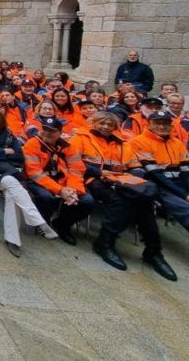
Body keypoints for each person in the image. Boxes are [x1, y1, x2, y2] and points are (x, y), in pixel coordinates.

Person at [70, 112, 176, 280]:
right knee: (121, 200)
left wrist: (134, 174)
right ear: (93, 123)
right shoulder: (80, 138)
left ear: (115, 127)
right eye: (101, 123)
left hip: (121, 180)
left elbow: (133, 165)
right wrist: (100, 171)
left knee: (144, 199)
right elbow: (73, 162)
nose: (105, 127)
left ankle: (153, 250)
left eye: (109, 125)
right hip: (92, 179)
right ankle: (105, 242)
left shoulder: (122, 143)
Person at [0, 110, 58, 257]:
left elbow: (18, 154)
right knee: (13, 184)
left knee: (13, 193)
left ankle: (13, 240)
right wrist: (5, 151)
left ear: (1, 123)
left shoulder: (10, 135)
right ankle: (38, 221)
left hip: (8, 172)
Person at [23, 117, 95, 245]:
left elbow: (77, 169)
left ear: (60, 133)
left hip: (65, 184)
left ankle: (62, 225)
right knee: (46, 197)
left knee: (87, 202)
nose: (47, 133)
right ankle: (43, 223)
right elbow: (35, 174)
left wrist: (73, 190)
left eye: (52, 131)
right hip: (40, 182)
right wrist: (60, 191)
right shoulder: (32, 144)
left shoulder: (67, 146)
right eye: (45, 129)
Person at [123, 110, 189, 234]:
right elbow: (155, 174)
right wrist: (184, 194)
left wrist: (186, 191)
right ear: (149, 125)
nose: (162, 126)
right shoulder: (139, 141)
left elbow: (186, 170)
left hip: (177, 184)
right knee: (186, 209)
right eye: (157, 123)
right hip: (157, 185)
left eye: (166, 123)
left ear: (171, 125)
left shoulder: (177, 142)